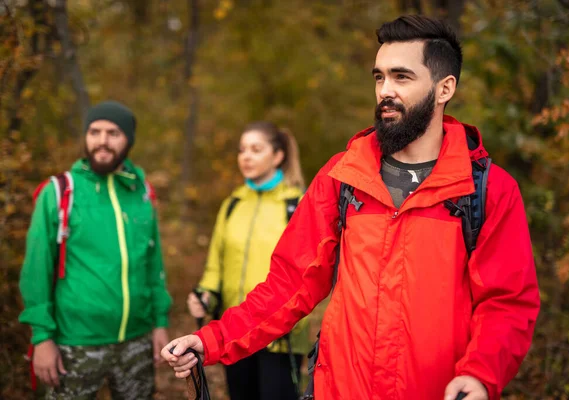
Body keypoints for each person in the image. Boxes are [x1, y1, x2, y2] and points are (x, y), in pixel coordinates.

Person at [162, 15, 540, 400]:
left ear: (444, 89)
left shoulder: (485, 189)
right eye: (379, 77)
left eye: (401, 77)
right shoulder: (343, 175)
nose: (385, 91)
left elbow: (507, 304)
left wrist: (480, 375)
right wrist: (211, 340)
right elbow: (289, 285)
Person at [19, 101, 172, 399]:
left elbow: (153, 263)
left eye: (113, 132)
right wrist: (41, 338)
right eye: (94, 131)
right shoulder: (60, 192)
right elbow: (36, 270)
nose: (102, 140)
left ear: (129, 139)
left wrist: (160, 323)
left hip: (137, 341)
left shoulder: (142, 192)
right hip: (76, 343)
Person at [186, 121, 311, 400]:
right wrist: (205, 293)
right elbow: (215, 265)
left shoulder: (297, 205)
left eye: (256, 149)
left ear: (278, 156)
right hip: (235, 330)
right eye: (242, 150)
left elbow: (306, 276)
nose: (246, 156)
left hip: (281, 338)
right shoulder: (232, 204)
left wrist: (293, 322)